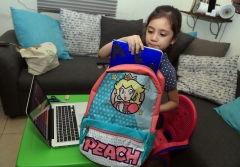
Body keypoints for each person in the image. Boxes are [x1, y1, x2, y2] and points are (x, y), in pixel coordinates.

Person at [98, 5, 181, 113]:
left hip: (139, 117)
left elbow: (174, 102)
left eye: (162, 34)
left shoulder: (167, 69)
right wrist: (124, 40)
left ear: (173, 39)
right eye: (150, 31)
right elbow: (102, 54)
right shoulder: (134, 49)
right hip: (115, 103)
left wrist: (152, 111)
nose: (154, 38)